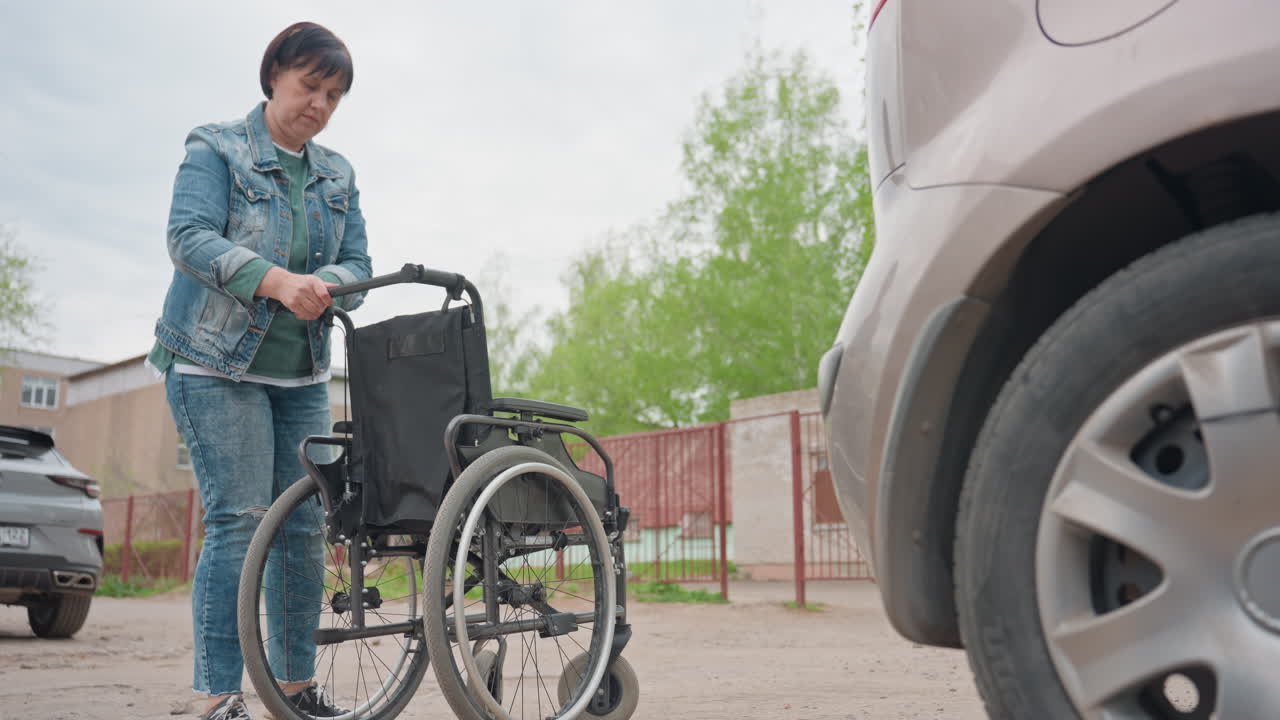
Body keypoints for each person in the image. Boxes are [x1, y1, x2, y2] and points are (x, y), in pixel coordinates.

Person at [148, 21, 371, 720]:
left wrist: (329, 282)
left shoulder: (338, 173)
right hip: (213, 365)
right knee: (240, 522)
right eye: (311, 86)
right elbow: (188, 238)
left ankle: (295, 689)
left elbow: (360, 268)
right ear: (273, 73)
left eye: (334, 95)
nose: (320, 105)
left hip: (300, 377)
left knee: (304, 529)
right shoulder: (216, 147)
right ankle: (220, 697)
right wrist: (276, 280)